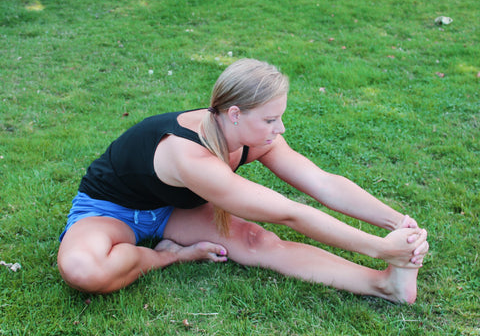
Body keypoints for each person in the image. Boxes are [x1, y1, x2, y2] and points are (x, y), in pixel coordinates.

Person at [57, 58, 428, 304]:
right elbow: (289, 213)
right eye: (270, 120)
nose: (279, 129)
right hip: (111, 211)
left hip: (174, 210)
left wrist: (396, 224)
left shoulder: (251, 137)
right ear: (235, 114)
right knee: (83, 270)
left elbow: (321, 182)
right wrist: (379, 247)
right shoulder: (189, 154)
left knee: (256, 241)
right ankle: (166, 256)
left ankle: (385, 285)